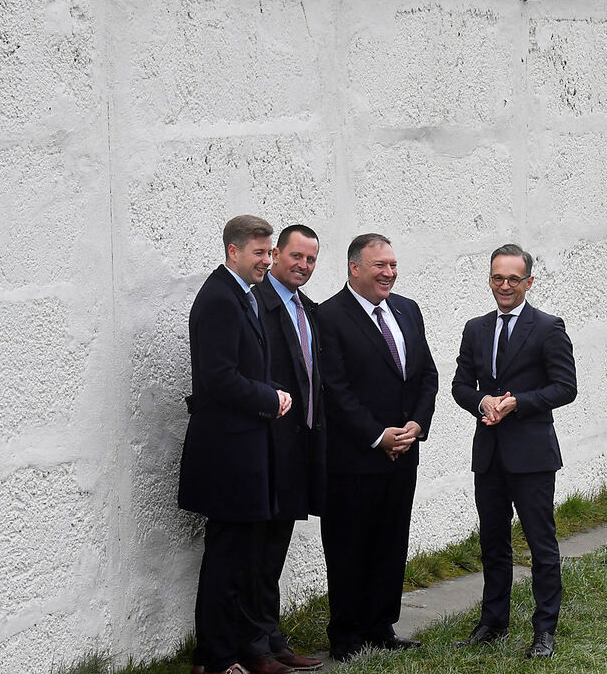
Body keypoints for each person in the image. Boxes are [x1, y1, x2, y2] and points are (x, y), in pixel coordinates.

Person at [177, 215, 294, 674]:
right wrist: (272, 397)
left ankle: (232, 652)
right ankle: (215, 659)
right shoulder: (221, 299)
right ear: (233, 251)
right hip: (227, 455)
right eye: (260, 253)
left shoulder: (242, 295)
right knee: (226, 563)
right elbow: (219, 378)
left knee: (242, 559)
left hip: (246, 451)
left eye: (269, 252)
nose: (268, 260)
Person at [451, 244, 578, 659]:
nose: (504, 286)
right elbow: (460, 386)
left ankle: (544, 630)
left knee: (541, 544)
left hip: (532, 455)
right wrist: (482, 402)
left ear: (528, 282)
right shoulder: (475, 328)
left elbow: (565, 387)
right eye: (497, 278)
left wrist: (517, 403)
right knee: (492, 543)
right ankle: (493, 623)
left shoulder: (548, 327)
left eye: (512, 279)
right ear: (489, 278)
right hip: (488, 453)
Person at [317, 233, 438, 661]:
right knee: (349, 545)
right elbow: (336, 389)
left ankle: (381, 625)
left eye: (392, 264)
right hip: (354, 458)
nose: (389, 273)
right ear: (355, 268)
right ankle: (347, 633)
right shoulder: (328, 317)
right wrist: (377, 435)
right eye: (379, 266)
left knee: (391, 539)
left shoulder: (407, 309)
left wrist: (414, 426)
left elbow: (426, 376)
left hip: (404, 451)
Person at [250, 224, 329, 672]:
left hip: (298, 447)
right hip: (265, 449)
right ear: (276, 254)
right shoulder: (257, 303)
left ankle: (271, 637)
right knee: (256, 549)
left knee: (275, 546)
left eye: (311, 259)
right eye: (296, 256)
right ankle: (256, 644)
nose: (303, 265)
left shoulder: (307, 310)